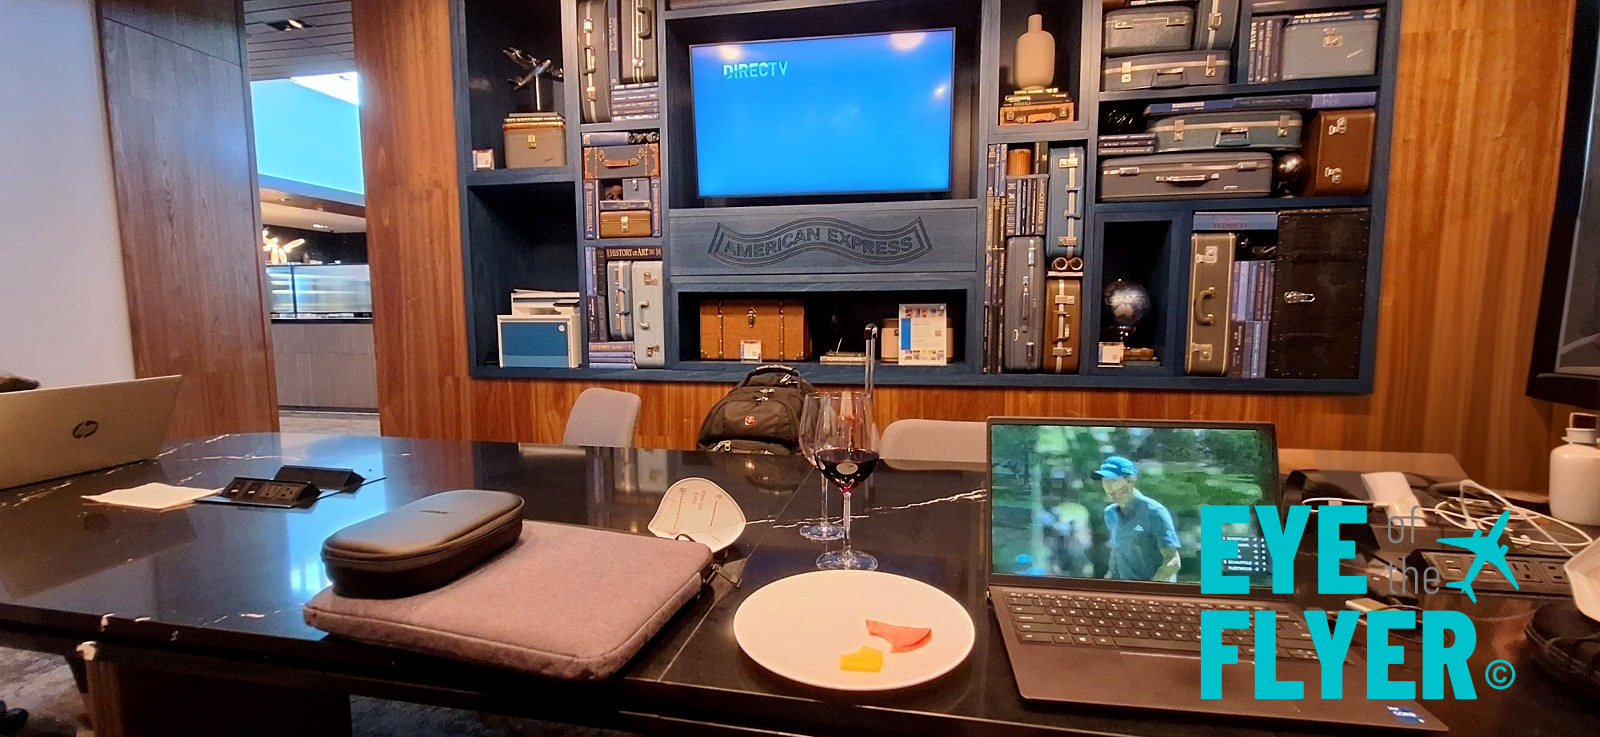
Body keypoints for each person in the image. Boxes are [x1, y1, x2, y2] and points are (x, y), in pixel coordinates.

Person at [1095, 456, 1182, 582]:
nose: (1108, 486)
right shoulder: (1110, 513)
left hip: (1152, 590)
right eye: (1105, 480)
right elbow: (1117, 558)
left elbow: (1173, 562)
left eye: (1113, 480)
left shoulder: (1155, 512)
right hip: (1125, 590)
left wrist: (1149, 589)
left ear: (1131, 480)